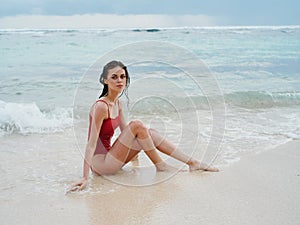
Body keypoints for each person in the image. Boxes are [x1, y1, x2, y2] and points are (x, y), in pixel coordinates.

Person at [68, 60, 218, 192]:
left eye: (122, 76)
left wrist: (134, 155)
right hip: (101, 164)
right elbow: (91, 144)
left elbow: (125, 133)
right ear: (105, 80)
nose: (119, 80)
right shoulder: (101, 106)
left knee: (149, 132)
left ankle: (193, 163)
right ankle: (161, 166)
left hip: (112, 159)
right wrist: (85, 177)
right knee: (137, 125)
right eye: (114, 77)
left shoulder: (118, 103)